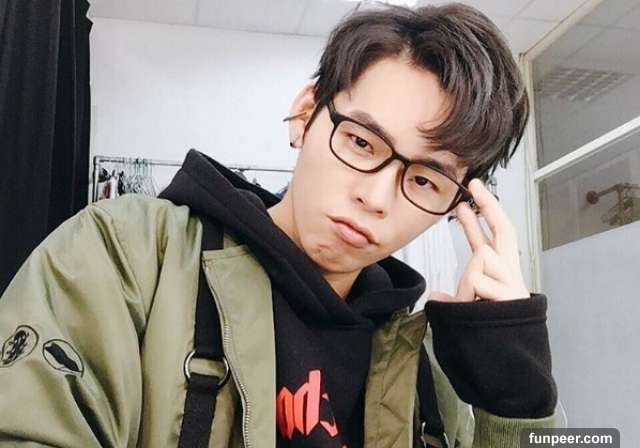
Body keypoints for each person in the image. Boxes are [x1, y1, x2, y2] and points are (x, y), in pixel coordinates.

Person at [0, 2, 558, 447]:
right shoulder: (132, 254)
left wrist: (516, 397)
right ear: (305, 115)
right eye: (361, 142)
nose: (375, 197)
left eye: (425, 180)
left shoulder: (425, 364)